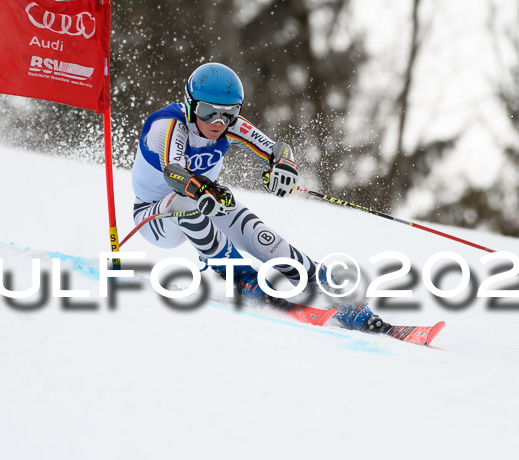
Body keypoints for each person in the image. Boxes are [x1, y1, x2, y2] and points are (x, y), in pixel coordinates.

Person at [130, 62, 384, 332]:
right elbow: (174, 173)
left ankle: (327, 285)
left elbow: (277, 149)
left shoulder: (229, 125)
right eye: (208, 112)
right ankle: (240, 276)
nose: (218, 122)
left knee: (263, 237)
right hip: (153, 217)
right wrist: (203, 188)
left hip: (206, 199)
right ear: (190, 104)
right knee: (189, 201)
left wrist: (284, 165)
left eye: (229, 113)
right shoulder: (168, 125)